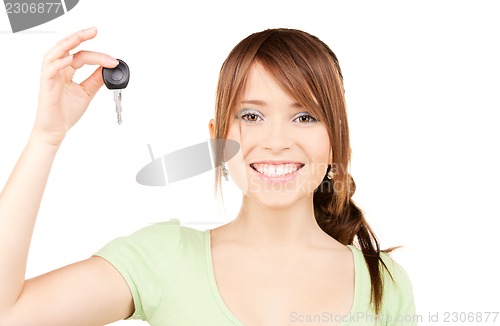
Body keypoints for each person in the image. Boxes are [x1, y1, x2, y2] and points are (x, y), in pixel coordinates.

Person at [0, 27, 416, 325]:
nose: (275, 140)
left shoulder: (386, 286)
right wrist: (46, 138)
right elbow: (9, 314)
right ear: (218, 138)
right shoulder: (164, 258)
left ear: (335, 138)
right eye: (251, 115)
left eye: (304, 116)